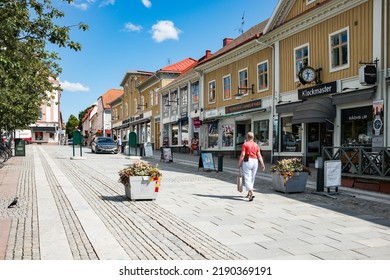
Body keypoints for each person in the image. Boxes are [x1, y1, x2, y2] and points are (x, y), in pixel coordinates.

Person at [238, 132, 265, 201]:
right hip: (255, 161)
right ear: (253, 137)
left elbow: (243, 154)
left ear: (247, 137)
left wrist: (239, 162)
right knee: (252, 178)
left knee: (247, 177)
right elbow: (259, 155)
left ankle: (251, 192)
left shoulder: (245, 144)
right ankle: (249, 193)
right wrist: (262, 164)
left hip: (247, 160)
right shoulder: (256, 145)